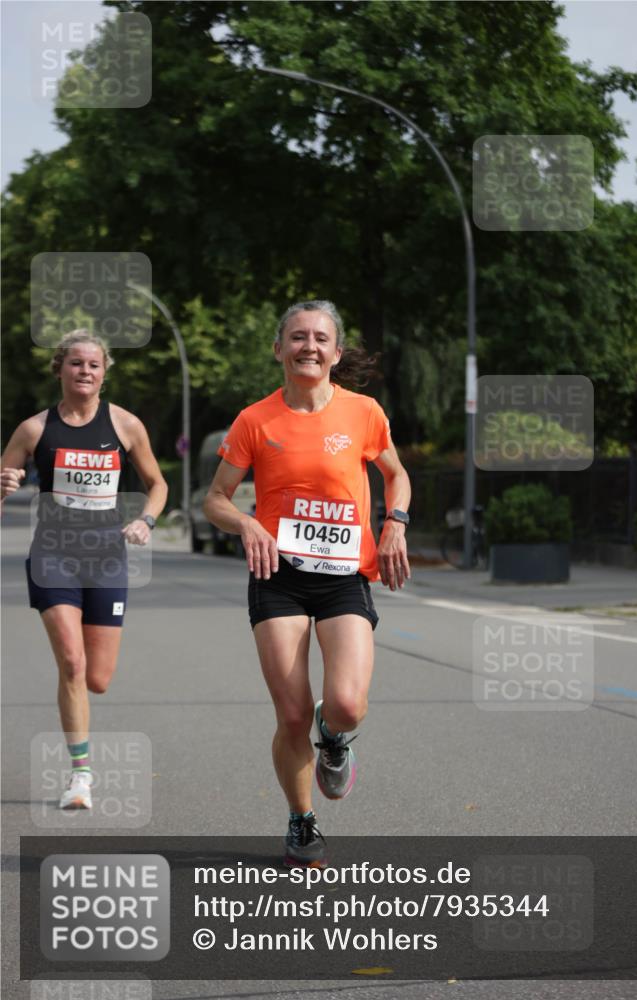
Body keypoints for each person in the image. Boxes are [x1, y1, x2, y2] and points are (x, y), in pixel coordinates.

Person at [204, 300, 411, 867]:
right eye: (297, 337)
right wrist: (246, 522)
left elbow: (396, 475)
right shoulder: (255, 420)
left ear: (336, 352)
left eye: (321, 339)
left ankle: (335, 737)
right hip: (279, 578)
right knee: (290, 714)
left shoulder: (364, 413)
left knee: (346, 703)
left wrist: (395, 524)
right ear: (279, 349)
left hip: (345, 575)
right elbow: (214, 499)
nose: (309, 347)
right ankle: (301, 821)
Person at [0, 330, 167, 810]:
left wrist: (146, 520)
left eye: (94, 365)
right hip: (53, 556)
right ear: (60, 369)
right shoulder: (34, 430)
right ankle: (81, 775)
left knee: (97, 678)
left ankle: (81, 759)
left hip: (107, 558)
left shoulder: (126, 425)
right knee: (71, 663)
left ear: (104, 372)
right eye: (76, 364)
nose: (86, 372)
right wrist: (4, 481)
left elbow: (157, 484)